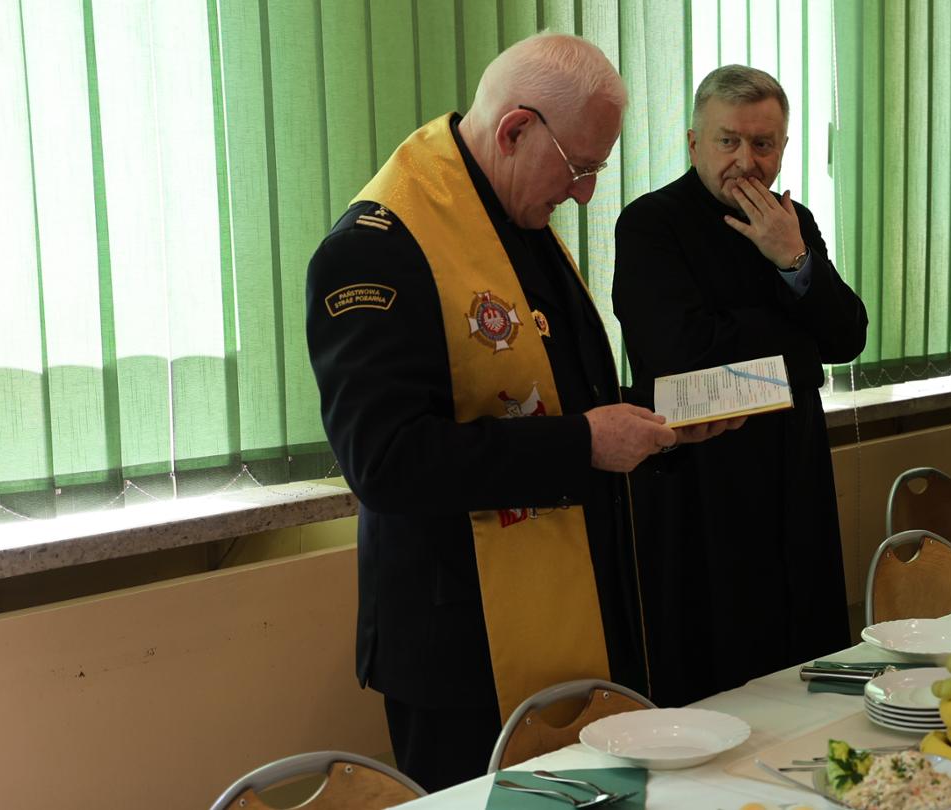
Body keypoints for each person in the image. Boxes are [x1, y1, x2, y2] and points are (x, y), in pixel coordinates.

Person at [305, 32, 734, 791]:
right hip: (461, 650)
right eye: (581, 168)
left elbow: (562, 401)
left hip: (576, 612)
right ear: (514, 129)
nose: (585, 194)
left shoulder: (514, 218)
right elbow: (385, 462)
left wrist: (654, 422)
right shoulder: (375, 249)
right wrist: (583, 444)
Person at [612, 65, 867, 706]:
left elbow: (846, 339)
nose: (746, 163)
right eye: (729, 141)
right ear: (694, 142)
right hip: (701, 482)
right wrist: (792, 342)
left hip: (792, 469)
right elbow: (680, 353)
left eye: (764, 144)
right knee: (715, 674)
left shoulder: (793, 220)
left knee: (802, 660)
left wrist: (795, 261)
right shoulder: (651, 224)